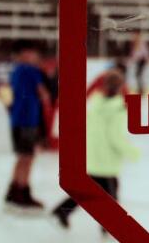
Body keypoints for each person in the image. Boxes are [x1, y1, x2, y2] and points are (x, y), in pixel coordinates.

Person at [52, 69, 140, 231]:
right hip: (106, 160)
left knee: (89, 191)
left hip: (92, 156)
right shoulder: (117, 109)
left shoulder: (95, 103)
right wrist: (133, 152)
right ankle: (110, 224)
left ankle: (63, 211)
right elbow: (115, 137)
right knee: (110, 193)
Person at [5, 39, 50, 210]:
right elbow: (43, 93)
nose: (35, 56)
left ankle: (15, 189)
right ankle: (22, 191)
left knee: (22, 156)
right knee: (28, 156)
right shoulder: (31, 70)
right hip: (28, 119)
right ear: (24, 54)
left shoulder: (16, 70)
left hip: (17, 118)